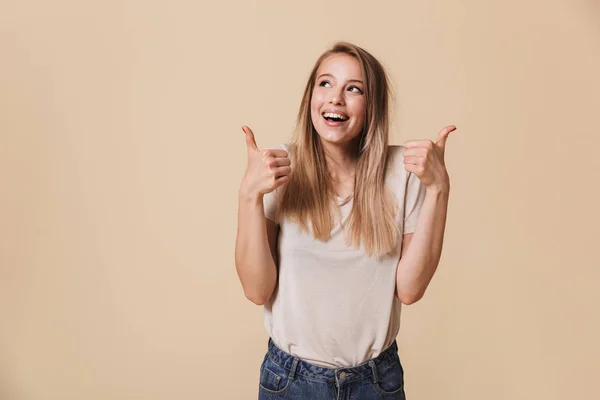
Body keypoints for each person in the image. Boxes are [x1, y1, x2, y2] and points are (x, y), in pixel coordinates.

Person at [235, 41, 455, 400]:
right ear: (310, 98)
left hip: (376, 382)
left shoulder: (403, 173)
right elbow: (256, 290)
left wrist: (439, 190)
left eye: (353, 89)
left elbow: (411, 290)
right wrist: (249, 197)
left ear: (372, 107)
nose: (335, 98)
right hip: (290, 381)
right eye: (325, 83)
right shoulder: (279, 168)